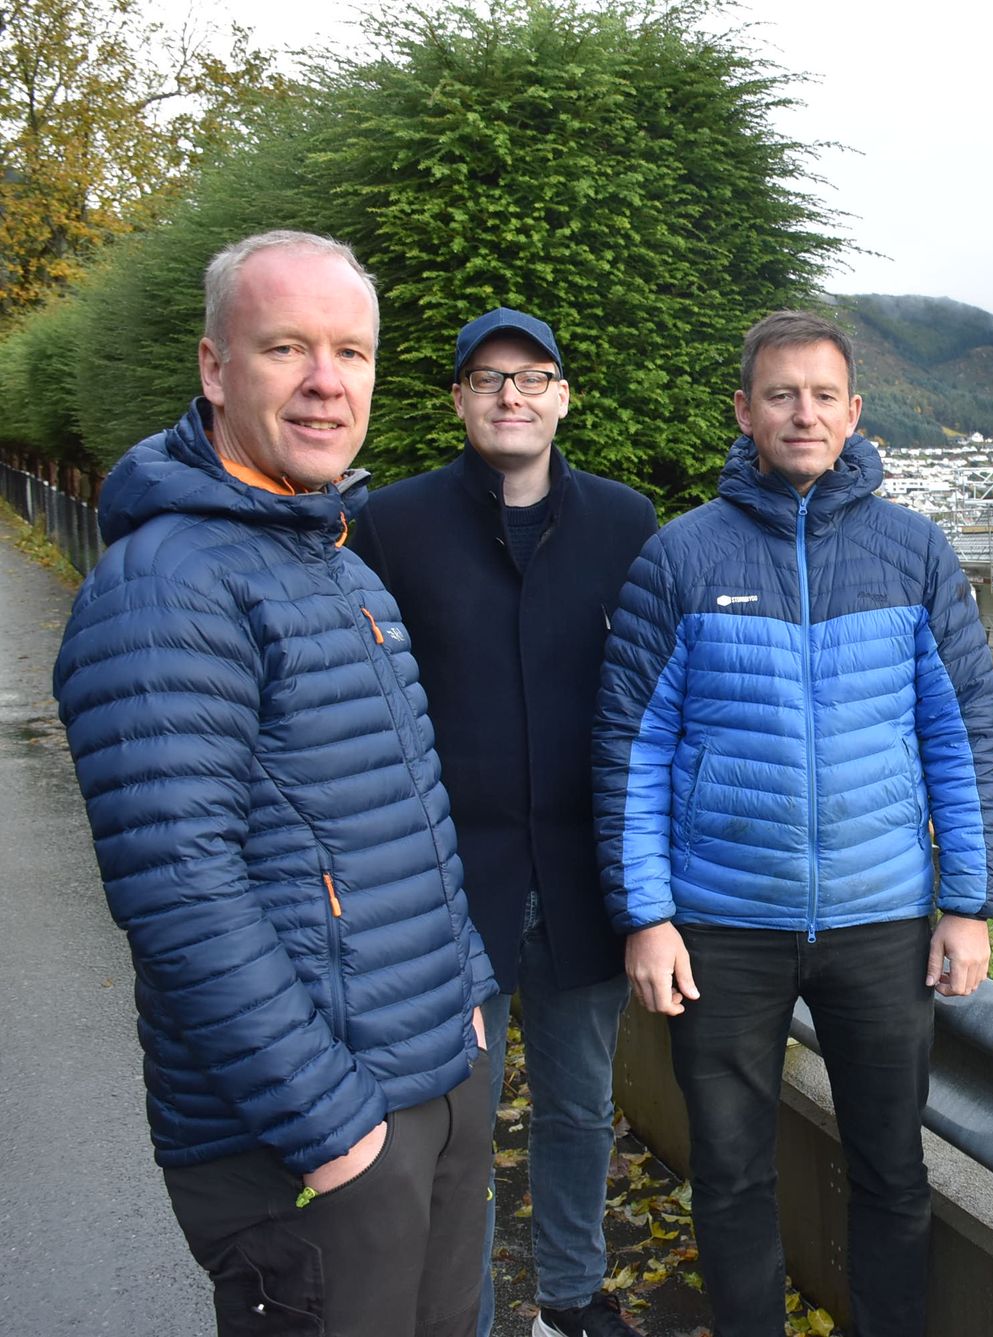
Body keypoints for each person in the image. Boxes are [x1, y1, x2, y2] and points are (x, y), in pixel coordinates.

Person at [52, 230, 497, 1336]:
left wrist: (469, 1007)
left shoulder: (334, 561)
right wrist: (334, 1128)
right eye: (285, 347)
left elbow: (404, 820)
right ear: (214, 368)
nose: (324, 382)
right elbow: (176, 884)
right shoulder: (166, 587)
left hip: (428, 1077)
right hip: (309, 1136)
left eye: (350, 351)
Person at [593, 310, 993, 1337]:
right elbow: (629, 749)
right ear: (743, 410)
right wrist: (646, 914)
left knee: (891, 1171)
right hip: (723, 927)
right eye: (779, 393)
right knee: (730, 1175)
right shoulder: (681, 556)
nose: (802, 412)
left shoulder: (912, 551)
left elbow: (962, 735)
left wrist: (967, 899)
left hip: (880, 919)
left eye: (823, 394)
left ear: (854, 410)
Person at [350, 308, 658, 1337]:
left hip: (580, 875)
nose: (511, 394)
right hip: (449, 881)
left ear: (563, 395)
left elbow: (656, 698)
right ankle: (462, 1313)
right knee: (455, 1128)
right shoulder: (393, 524)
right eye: (488, 378)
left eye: (532, 376)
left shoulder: (624, 522)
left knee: (578, 1106)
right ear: (458, 400)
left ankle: (569, 1298)